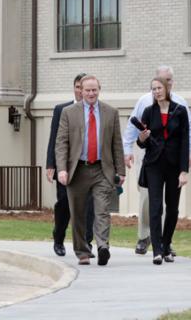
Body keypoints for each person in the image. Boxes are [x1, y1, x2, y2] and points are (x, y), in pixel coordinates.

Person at [123, 65, 191, 255]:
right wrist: (127, 149)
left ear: (171, 82)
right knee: (149, 200)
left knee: (170, 206)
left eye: (169, 80)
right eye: (159, 82)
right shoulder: (145, 103)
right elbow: (134, 127)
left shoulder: (180, 105)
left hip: (172, 161)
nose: (163, 85)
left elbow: (188, 131)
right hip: (152, 158)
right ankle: (144, 237)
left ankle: (165, 242)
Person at [54, 74, 125, 266]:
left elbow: (116, 143)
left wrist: (121, 171)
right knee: (77, 214)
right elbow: (61, 143)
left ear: (99, 90)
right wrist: (61, 169)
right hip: (77, 170)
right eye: (87, 90)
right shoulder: (69, 112)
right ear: (81, 91)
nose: (91, 93)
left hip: (102, 169)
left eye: (94, 90)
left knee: (102, 210)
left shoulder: (111, 112)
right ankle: (82, 252)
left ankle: (103, 247)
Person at [135, 75, 191, 264]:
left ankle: (166, 246)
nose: (156, 91)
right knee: (155, 207)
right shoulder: (149, 112)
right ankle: (157, 250)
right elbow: (141, 144)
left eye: (159, 88)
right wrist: (142, 138)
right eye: (153, 89)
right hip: (154, 165)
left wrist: (184, 170)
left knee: (173, 208)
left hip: (174, 165)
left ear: (167, 89)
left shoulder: (180, 111)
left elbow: (185, 142)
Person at [45, 72, 95, 257]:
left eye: (84, 88)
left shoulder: (94, 111)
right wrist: (51, 164)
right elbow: (54, 139)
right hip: (65, 167)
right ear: (75, 89)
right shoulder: (61, 110)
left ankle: (86, 243)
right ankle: (59, 238)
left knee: (88, 206)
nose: (81, 91)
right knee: (64, 204)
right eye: (78, 87)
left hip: (87, 167)